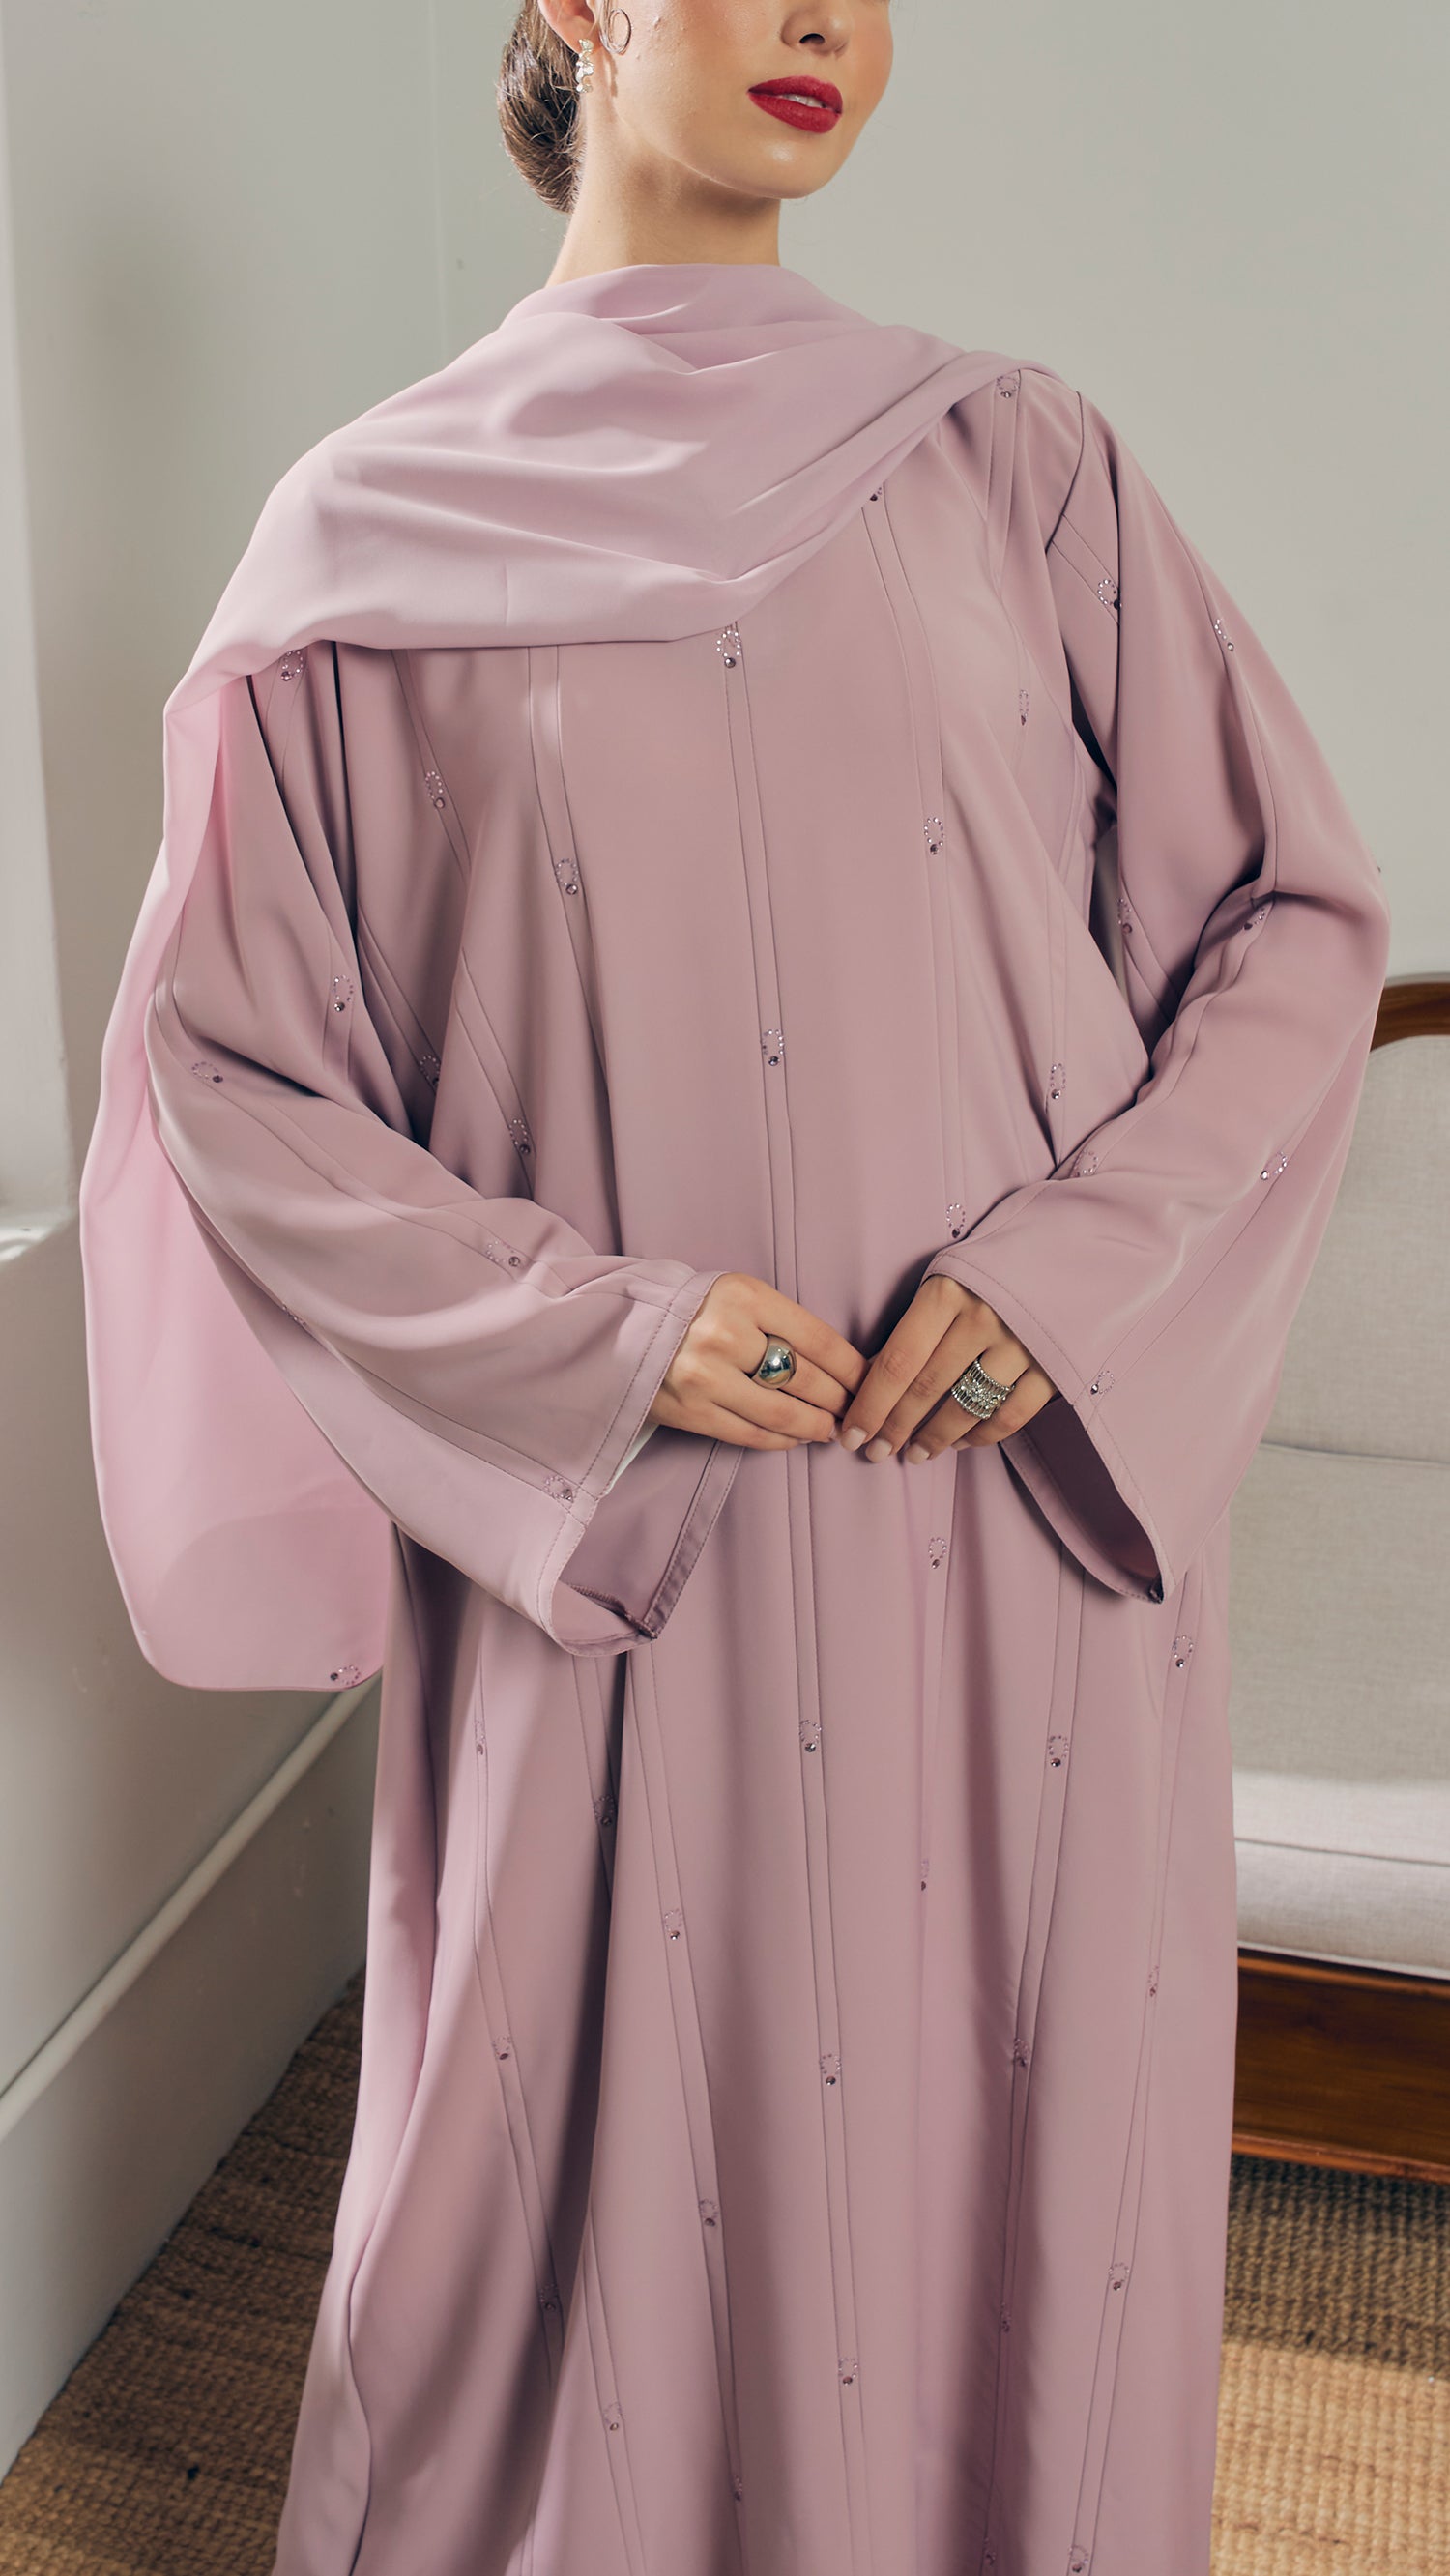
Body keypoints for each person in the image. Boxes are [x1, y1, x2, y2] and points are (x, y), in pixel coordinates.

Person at [77, 3, 1392, 2570]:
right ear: (574, 7)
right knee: (567, 2213)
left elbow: (1294, 918)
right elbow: (236, 1076)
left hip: (1008, 1530)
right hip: (625, 1552)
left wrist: (1072, 1272)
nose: (821, 22)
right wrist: (600, 1335)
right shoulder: (357, 543)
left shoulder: (1010, 460)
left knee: (1012, 2188)